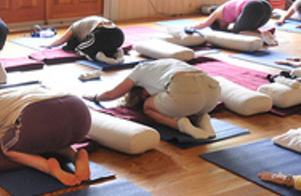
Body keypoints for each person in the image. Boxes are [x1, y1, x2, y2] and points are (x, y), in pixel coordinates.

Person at [88, 58, 220, 139]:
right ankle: (203, 118)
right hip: (213, 92)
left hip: (184, 88)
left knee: (148, 107)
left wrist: (94, 97)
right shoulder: (166, 63)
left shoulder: (139, 69)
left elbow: (112, 94)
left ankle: (182, 126)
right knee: (191, 100)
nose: (150, 95)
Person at [189, 0, 276, 44]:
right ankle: (264, 33)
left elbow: (203, 24)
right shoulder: (226, 10)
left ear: (218, 22)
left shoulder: (216, 14)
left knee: (237, 32)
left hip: (253, 7)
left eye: (223, 27)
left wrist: (191, 27)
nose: (226, 26)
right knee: (247, 29)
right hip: (266, 6)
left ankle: (264, 35)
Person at [45, 15, 125, 63]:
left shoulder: (74, 27)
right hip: (119, 35)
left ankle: (100, 57)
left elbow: (62, 40)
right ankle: (116, 51)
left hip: (101, 33)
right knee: (101, 46)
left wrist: (49, 45)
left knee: (80, 49)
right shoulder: (84, 23)